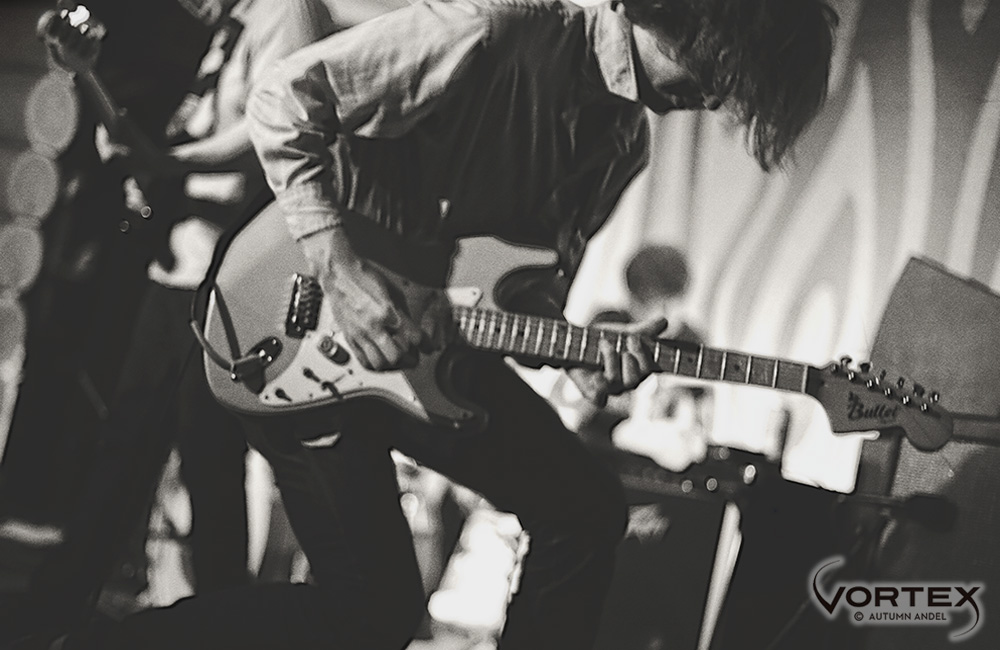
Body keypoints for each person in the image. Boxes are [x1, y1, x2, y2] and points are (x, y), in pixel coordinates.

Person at [38, 0, 837, 648]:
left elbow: (518, 292)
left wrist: (588, 360)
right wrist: (343, 273)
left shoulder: (623, 142)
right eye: (721, 70)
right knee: (373, 608)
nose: (720, 99)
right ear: (677, 14)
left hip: (427, 353)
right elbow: (284, 98)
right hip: (298, 322)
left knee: (583, 511)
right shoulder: (492, 31)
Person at [1, 0, 335, 645]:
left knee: (163, 453)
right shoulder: (231, 30)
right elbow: (199, 135)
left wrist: (168, 166)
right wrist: (143, 157)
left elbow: (273, 135)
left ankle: (62, 613)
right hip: (184, 266)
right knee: (176, 454)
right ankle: (163, 619)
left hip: (223, 278)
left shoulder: (286, 12)